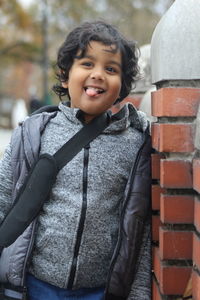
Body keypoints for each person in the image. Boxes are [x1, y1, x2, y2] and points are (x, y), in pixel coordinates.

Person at [0, 21, 151, 300]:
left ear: (122, 86)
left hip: (100, 290)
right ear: (65, 76)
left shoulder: (135, 144)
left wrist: (138, 294)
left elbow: (139, 229)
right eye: (87, 63)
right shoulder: (34, 133)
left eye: (111, 69)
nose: (98, 74)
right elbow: (3, 202)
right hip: (33, 285)